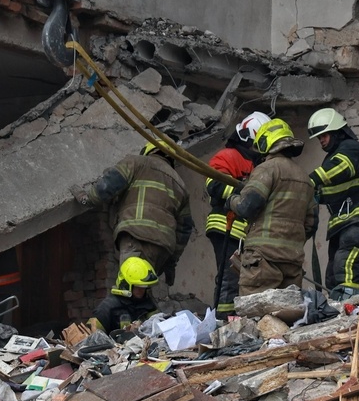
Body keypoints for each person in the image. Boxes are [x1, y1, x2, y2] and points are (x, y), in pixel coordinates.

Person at [72, 138, 193, 289]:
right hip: (163, 247)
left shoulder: (136, 162)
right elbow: (185, 228)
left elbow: (108, 186)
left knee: (128, 286)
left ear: (149, 150)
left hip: (136, 236)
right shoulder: (181, 184)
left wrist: (87, 199)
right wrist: (171, 262)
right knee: (141, 290)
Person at [227, 118, 317, 294]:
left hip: (263, 259)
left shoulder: (267, 169)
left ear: (265, 142)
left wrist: (231, 201)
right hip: (292, 262)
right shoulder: (306, 179)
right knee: (287, 309)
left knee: (254, 309)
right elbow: (311, 224)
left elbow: (247, 207)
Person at [307, 108, 359, 301]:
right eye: (319, 138)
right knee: (333, 274)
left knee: (345, 265)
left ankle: (349, 305)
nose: (321, 141)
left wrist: (308, 181)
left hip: (358, 216)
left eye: (324, 135)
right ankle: (336, 308)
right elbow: (333, 190)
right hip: (343, 221)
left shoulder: (350, 148)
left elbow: (338, 169)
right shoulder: (334, 155)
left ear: (336, 132)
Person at [206, 111, 270, 317]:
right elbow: (213, 184)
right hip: (225, 224)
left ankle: (236, 317)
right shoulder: (228, 156)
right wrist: (245, 195)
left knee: (243, 278)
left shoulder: (257, 164)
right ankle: (223, 319)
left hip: (244, 232)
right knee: (229, 277)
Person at [90, 256, 159, 333]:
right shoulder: (106, 308)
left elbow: (159, 328)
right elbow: (91, 337)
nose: (142, 290)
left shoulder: (148, 305)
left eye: (144, 287)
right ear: (125, 285)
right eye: (138, 286)